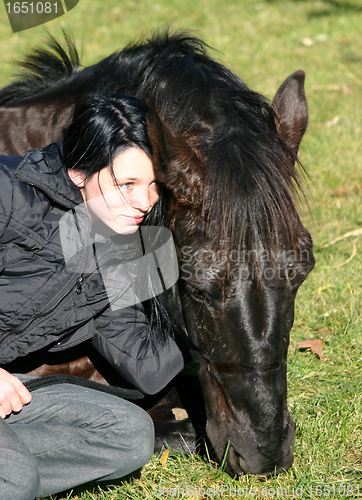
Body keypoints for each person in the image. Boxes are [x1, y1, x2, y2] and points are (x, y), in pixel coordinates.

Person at [0, 93, 187, 499]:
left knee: (131, 435)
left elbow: (146, 362)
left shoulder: (120, 242)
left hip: (10, 390)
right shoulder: (9, 195)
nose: (144, 203)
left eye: (155, 185)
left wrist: (204, 305)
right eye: (127, 184)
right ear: (80, 171)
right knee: (14, 477)